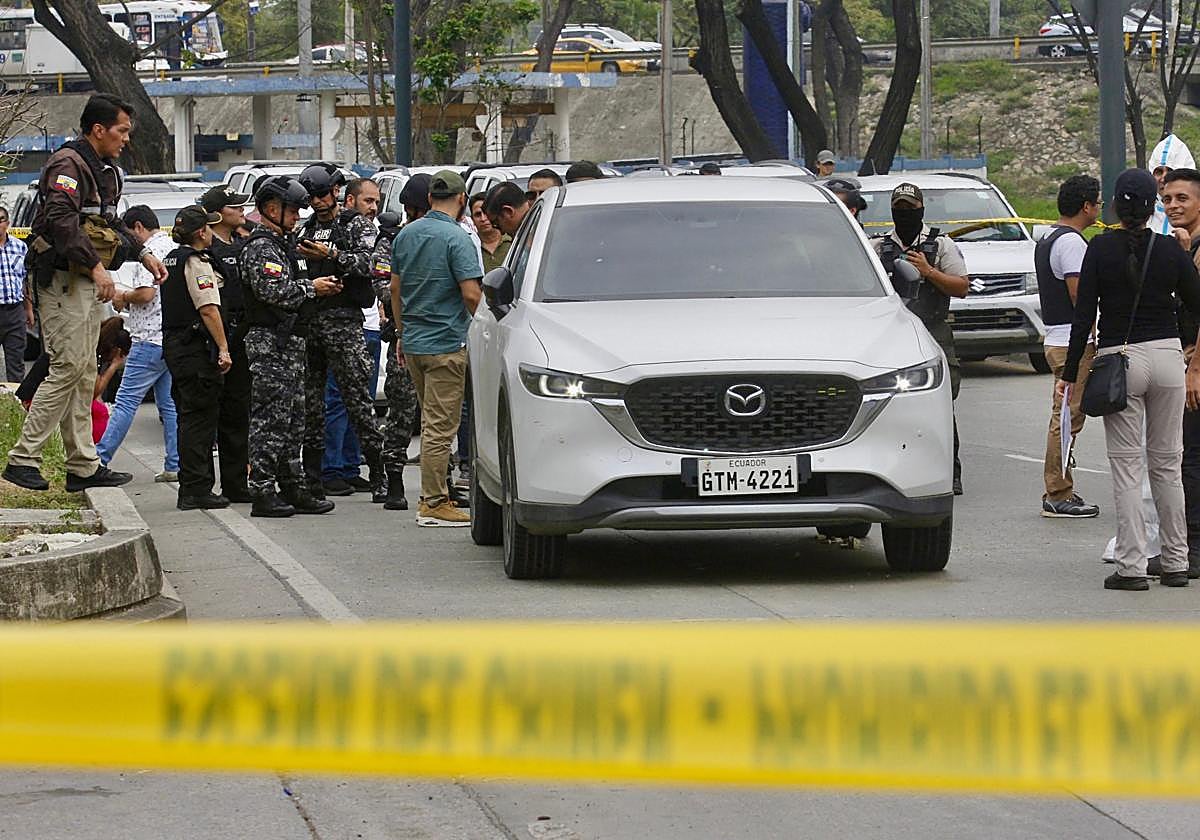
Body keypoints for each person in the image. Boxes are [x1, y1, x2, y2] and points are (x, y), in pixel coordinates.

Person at [4, 93, 166, 493]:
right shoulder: (67, 164)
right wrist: (97, 268)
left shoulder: (103, 169)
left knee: (84, 371)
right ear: (98, 129)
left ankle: (83, 465)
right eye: (122, 131)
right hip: (62, 281)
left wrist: (142, 252)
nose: (126, 139)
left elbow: (107, 222)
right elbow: (60, 220)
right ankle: (22, 460)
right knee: (68, 367)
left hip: (85, 284)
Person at [1059, 168, 1200, 590]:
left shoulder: (1099, 248)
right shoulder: (1172, 249)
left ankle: (1132, 566)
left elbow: (1083, 318)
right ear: (1153, 206)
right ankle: (1176, 561)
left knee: (1126, 468)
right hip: (1168, 358)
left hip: (1120, 359)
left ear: (1118, 207)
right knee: (1167, 464)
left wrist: (1069, 377)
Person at [240, 175, 337, 518]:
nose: (297, 217)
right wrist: (313, 288)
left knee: (294, 419)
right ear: (270, 209)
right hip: (271, 344)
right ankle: (263, 490)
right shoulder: (261, 247)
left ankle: (292, 483)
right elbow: (273, 291)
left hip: (291, 343)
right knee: (270, 419)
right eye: (292, 211)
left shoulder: (284, 244)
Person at [390, 170, 482, 526]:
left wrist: (401, 331)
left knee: (431, 424)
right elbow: (472, 294)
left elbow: (395, 290)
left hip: (414, 343)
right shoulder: (457, 238)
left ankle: (436, 494)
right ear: (461, 200)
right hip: (446, 342)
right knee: (440, 428)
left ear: (429, 199)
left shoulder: (406, 235)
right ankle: (433, 502)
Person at [294, 164, 388, 504]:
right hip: (313, 322)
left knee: (358, 402)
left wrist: (331, 254)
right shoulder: (304, 227)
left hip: (344, 323)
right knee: (312, 406)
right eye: (311, 197)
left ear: (335, 192)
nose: (317, 202)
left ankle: (379, 474)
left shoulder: (355, 224)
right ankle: (315, 477)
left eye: (322, 194)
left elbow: (371, 265)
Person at [871, 182, 970, 495]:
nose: (904, 214)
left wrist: (929, 272)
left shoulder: (941, 245)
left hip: (932, 330)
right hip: (890, 335)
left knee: (941, 402)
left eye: (909, 209)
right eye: (898, 208)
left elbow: (961, 286)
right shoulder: (878, 246)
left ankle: (950, 471)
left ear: (921, 209)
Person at [158, 206, 237, 510]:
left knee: (189, 416)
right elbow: (208, 308)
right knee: (200, 420)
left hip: (176, 346)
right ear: (202, 232)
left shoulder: (172, 259)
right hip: (194, 348)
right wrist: (224, 347)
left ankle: (194, 485)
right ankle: (195, 488)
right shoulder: (196, 261)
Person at [96, 204, 179, 484]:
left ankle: (99, 459)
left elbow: (145, 294)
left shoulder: (152, 252)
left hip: (148, 340)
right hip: (169, 337)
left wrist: (122, 296)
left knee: (125, 402)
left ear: (139, 228)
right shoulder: (172, 245)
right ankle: (175, 464)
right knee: (168, 405)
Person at [1036, 175, 1103, 519]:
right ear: (1086, 206)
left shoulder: (1048, 237)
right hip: (1071, 342)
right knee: (1066, 419)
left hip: (1056, 338)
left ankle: (1061, 487)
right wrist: (1092, 336)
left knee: (1065, 415)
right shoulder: (1073, 244)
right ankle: (1058, 492)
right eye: (1097, 203)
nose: (1099, 209)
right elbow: (1081, 297)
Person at [370, 175, 430, 511]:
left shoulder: (445, 236)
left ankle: (441, 483)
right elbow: (381, 282)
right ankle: (393, 479)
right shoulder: (393, 240)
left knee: (437, 418)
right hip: (404, 337)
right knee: (401, 411)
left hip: (436, 335)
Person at [321, 177, 384, 495]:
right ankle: (330, 468)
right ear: (348, 201)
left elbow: (378, 275)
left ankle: (349, 465)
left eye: (377, 201)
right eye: (367, 201)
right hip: (340, 326)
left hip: (369, 325)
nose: (373, 207)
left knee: (361, 403)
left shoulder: (376, 233)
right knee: (336, 399)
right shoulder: (337, 231)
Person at [198, 184, 252, 503]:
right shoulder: (206, 250)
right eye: (234, 206)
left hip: (241, 336)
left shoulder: (244, 244)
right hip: (213, 338)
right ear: (217, 213)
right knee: (208, 416)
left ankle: (235, 483)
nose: (242, 211)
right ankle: (203, 485)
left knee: (237, 412)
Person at [1162, 166, 1200, 577]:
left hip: (1195, 367)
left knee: (1190, 459)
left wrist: (1194, 372)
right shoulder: (1184, 245)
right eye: (1168, 199)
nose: (1173, 205)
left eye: (1182, 198)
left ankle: (1193, 549)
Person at [0, 206, 30, 383]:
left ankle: (17, 406)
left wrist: (29, 310)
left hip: (15, 312)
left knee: (16, 363)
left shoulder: (20, 247)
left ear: (8, 223)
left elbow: (25, 280)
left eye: (0, 220)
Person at [1150, 134, 1195, 235]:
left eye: (1170, 171)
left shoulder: (1195, 217)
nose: (1163, 179)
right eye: (1158, 172)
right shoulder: (1144, 215)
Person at [471, 192, 511, 273]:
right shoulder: (470, 246)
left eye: (486, 212)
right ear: (472, 220)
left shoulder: (513, 241)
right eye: (478, 214)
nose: (483, 218)